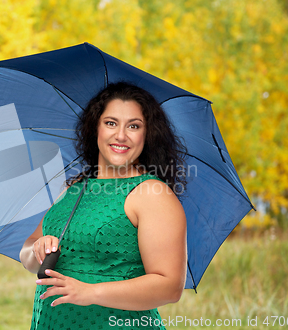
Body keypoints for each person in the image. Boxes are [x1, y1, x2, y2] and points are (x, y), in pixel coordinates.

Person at [20, 82, 187, 330]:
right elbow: (27, 254)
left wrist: (90, 293)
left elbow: (170, 287)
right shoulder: (73, 189)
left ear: (147, 134)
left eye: (134, 126)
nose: (121, 135)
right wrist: (37, 249)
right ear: (95, 128)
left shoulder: (152, 194)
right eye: (111, 123)